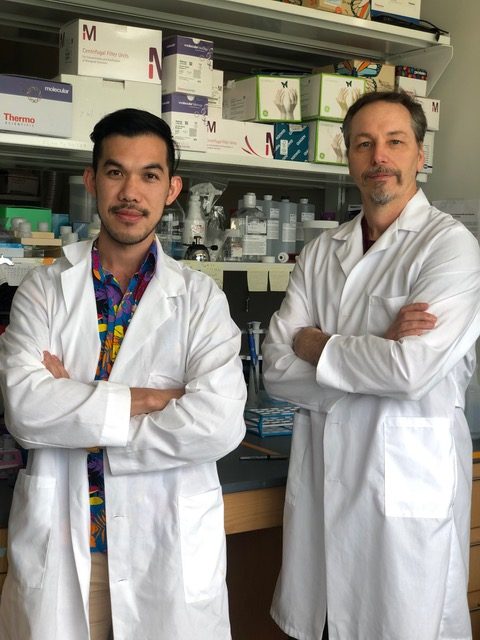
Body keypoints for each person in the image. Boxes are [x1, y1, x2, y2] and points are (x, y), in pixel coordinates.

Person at [0, 108, 246, 640]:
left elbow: (219, 424)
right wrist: (154, 399)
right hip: (68, 552)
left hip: (166, 550)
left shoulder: (201, 300)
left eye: (149, 175)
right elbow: (26, 410)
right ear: (92, 181)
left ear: (172, 188)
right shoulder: (43, 292)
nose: (130, 192)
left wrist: (78, 408)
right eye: (115, 172)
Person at [262, 91, 480, 640]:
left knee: (406, 621)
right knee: (328, 624)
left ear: (419, 155)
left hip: (404, 493)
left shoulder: (451, 249)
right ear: (349, 156)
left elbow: (409, 374)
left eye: (394, 141)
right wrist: (374, 348)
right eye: (364, 144)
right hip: (325, 478)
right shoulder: (321, 251)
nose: (378, 156)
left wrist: (318, 344)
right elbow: (274, 367)